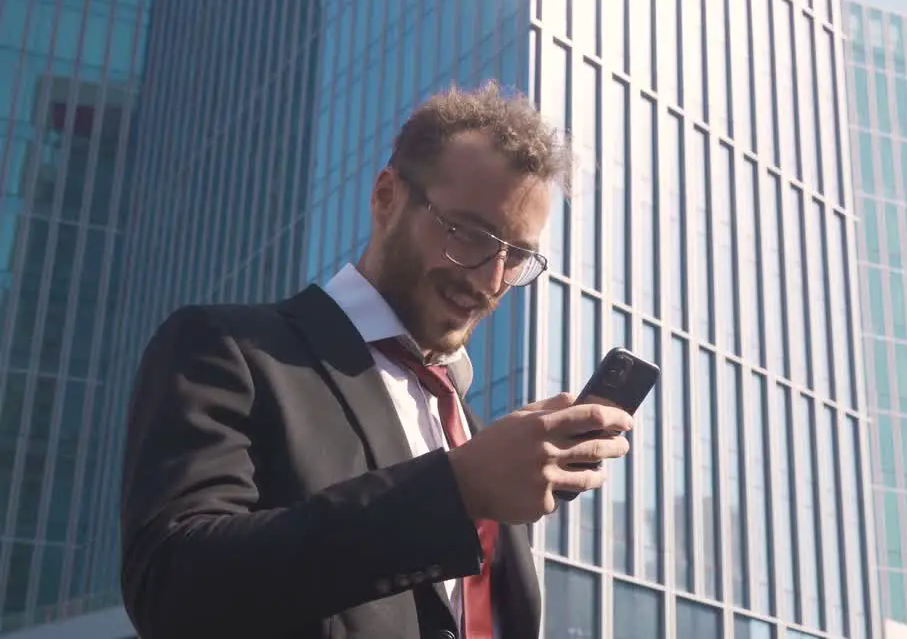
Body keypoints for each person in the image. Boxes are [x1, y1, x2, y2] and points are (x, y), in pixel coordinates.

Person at [119, 82, 634, 639]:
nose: (490, 278)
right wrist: (456, 491)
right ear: (387, 196)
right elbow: (172, 585)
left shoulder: (473, 433)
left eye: (517, 256)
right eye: (469, 233)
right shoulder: (232, 350)